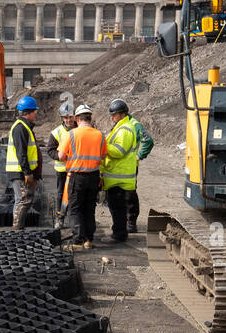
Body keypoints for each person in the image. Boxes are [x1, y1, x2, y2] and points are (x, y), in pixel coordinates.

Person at [101, 98, 155, 242]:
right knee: (120, 199)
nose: (111, 118)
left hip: (126, 167)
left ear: (122, 113)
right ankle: (124, 225)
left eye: (114, 114)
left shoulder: (133, 125)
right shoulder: (120, 124)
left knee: (128, 196)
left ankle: (130, 222)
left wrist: (139, 156)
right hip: (122, 167)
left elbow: (148, 141)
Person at [57, 105, 106, 250]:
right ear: (90, 118)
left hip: (77, 177)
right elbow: (103, 155)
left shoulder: (71, 134)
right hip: (93, 176)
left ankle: (78, 240)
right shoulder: (99, 135)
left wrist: (72, 159)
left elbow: (60, 156)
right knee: (89, 208)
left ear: (77, 119)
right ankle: (88, 239)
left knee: (76, 208)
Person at [6, 97, 43, 230]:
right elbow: (21, 153)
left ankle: (18, 227)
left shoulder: (25, 127)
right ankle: (17, 229)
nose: (36, 114)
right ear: (28, 112)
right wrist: (27, 172)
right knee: (24, 199)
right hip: (19, 171)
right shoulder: (20, 128)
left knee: (22, 200)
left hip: (22, 170)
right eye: (35, 111)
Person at [46, 101, 77, 208]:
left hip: (78, 169)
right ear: (62, 118)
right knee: (61, 193)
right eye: (65, 118)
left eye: (70, 117)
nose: (68, 120)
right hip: (62, 170)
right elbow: (50, 150)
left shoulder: (81, 129)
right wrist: (60, 156)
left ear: (75, 116)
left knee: (75, 193)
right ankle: (60, 215)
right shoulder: (56, 132)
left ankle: (73, 215)